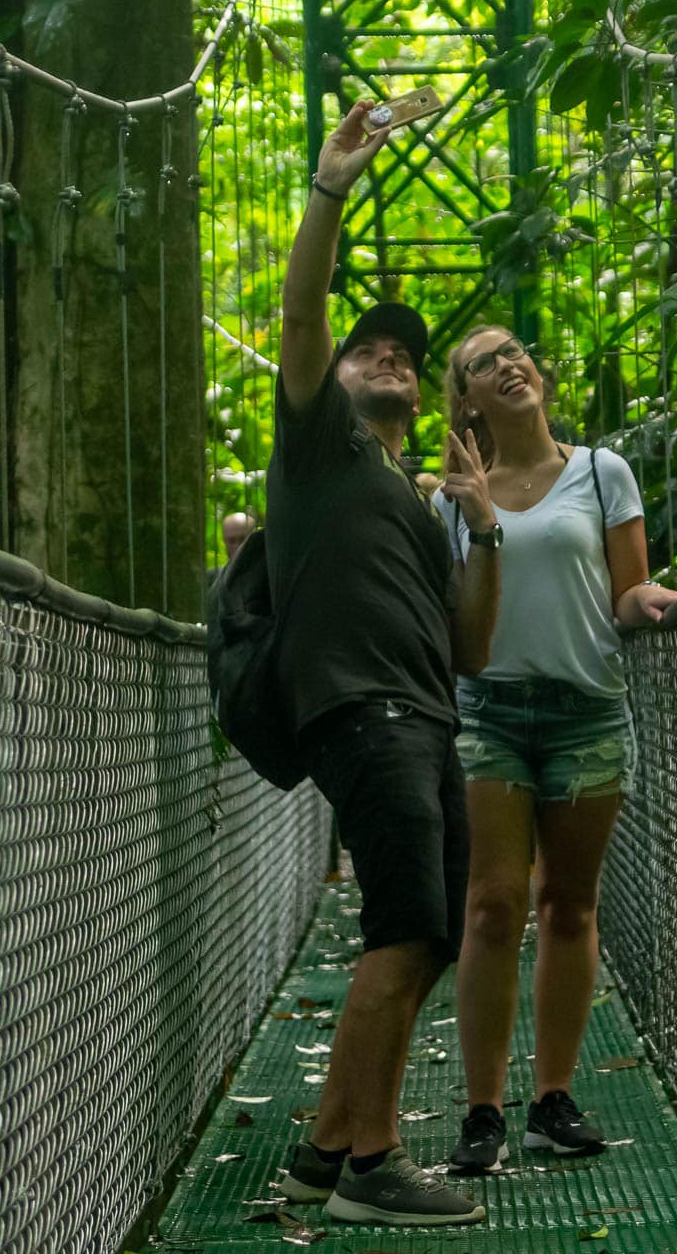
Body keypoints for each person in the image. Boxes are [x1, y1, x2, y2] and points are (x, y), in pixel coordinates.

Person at [267, 97, 502, 1227]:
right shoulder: (318, 443)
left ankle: (329, 1151)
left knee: (434, 933)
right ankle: (375, 1160)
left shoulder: (415, 501)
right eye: (373, 348)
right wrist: (330, 186)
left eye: (406, 355)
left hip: (423, 711)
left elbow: (471, 644)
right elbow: (303, 308)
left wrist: (483, 524)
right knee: (405, 927)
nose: (391, 358)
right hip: (364, 710)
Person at [431, 326, 677, 1175]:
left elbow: (623, 592)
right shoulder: (452, 499)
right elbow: (455, 625)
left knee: (569, 904)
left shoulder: (603, 472)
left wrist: (649, 597)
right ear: (465, 399)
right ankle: (482, 1112)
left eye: (513, 350)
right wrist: (471, 516)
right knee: (492, 904)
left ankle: (553, 1099)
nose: (506, 363)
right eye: (481, 363)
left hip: (586, 710)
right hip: (488, 712)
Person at [206, 511, 258, 588]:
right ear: (224, 541)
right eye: (232, 541)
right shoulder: (210, 579)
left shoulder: (269, 575)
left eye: (242, 539)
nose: (238, 546)